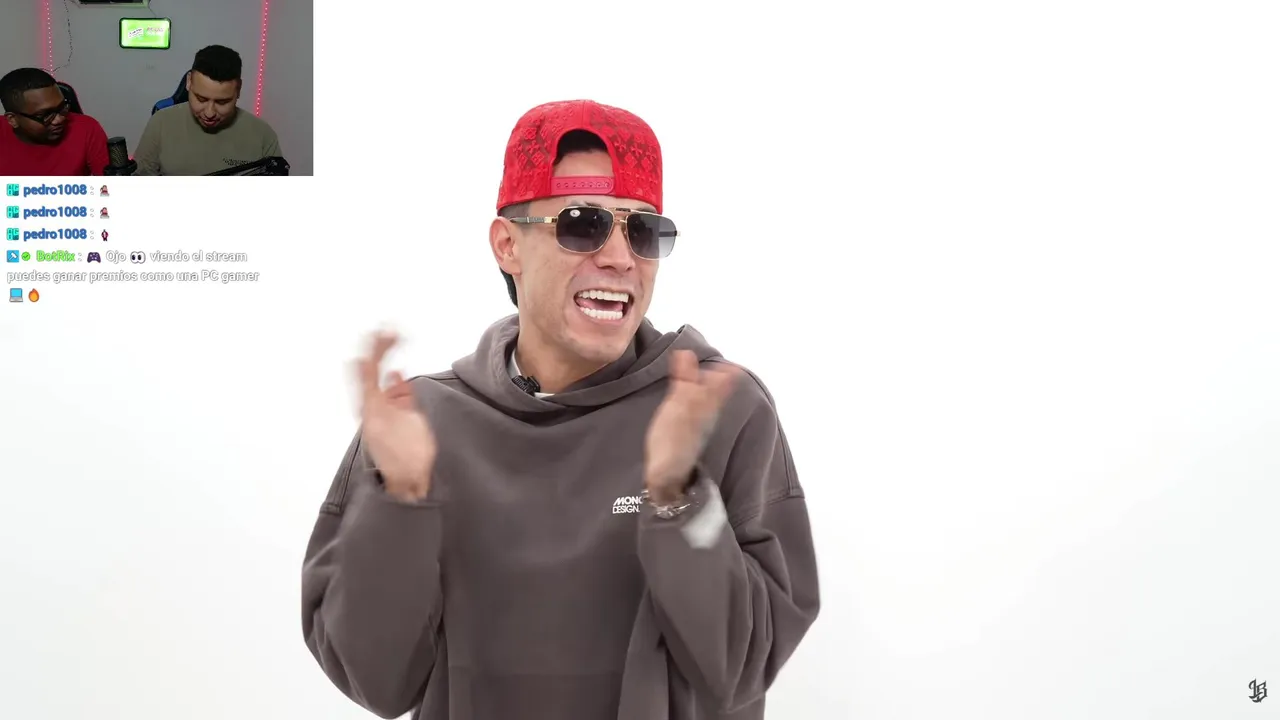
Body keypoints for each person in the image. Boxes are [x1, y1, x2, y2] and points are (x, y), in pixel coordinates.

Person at [301, 100, 821, 720]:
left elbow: (740, 668)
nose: (620, 258)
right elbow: (376, 681)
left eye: (643, 231)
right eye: (582, 224)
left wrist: (679, 498)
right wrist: (400, 504)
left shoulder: (720, 411)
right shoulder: (421, 425)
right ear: (507, 245)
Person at [134, 45, 281, 176]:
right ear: (189, 82)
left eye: (222, 102)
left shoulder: (263, 135)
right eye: (201, 99)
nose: (209, 113)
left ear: (238, 89)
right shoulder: (161, 122)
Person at [0, 68, 108, 176]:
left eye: (62, 107)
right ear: (12, 119)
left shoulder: (87, 128)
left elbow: (111, 184)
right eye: (45, 115)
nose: (59, 119)